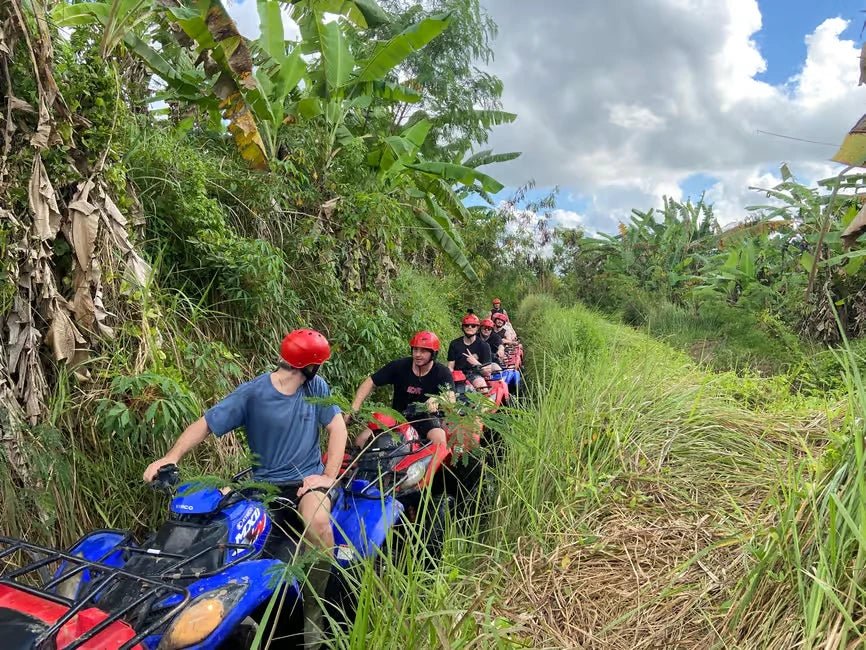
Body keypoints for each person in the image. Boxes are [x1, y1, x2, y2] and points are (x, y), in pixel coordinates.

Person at [143, 328, 346, 649]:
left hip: (306, 482)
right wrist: (170, 456)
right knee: (221, 534)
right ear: (310, 366)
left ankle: (315, 609)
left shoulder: (316, 388)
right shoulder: (253, 393)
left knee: (319, 523)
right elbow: (206, 423)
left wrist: (328, 476)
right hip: (261, 485)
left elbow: (338, 428)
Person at [347, 331, 454, 448]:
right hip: (397, 416)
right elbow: (370, 381)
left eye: (423, 351)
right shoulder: (399, 366)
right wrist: (354, 408)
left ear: (433, 354)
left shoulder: (442, 372)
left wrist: (437, 399)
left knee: (439, 438)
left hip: (426, 419)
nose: (417, 354)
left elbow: (451, 397)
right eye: (415, 350)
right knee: (361, 440)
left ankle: (436, 466)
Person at [447, 313, 492, 390]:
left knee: (482, 387)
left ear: (477, 328)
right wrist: (449, 378)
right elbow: (450, 366)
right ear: (463, 327)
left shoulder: (484, 346)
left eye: (473, 326)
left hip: (474, 374)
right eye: (466, 325)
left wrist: (476, 363)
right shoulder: (454, 344)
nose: (470, 327)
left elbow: (487, 372)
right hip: (457, 375)